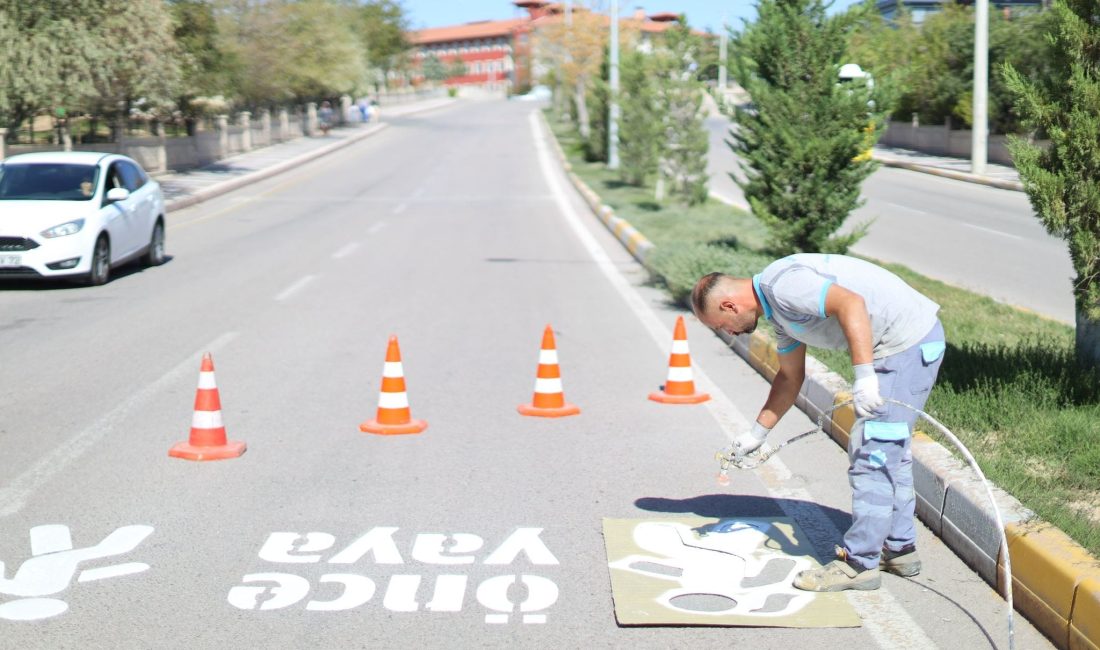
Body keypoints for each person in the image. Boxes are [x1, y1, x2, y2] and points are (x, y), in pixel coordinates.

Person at [690, 253, 946, 592]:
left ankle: (859, 565)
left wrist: (865, 375)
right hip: (900, 346)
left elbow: (850, 303)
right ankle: (899, 549)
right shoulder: (780, 314)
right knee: (887, 450)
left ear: (729, 306)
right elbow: (790, 376)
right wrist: (757, 433)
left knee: (874, 455)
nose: (730, 332)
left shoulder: (783, 286)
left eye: (721, 325)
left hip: (905, 344)